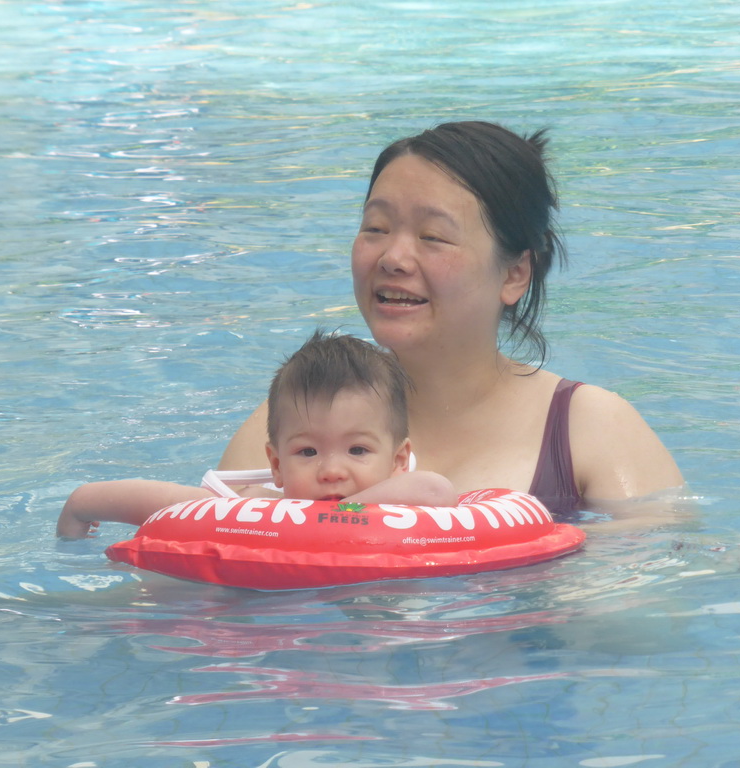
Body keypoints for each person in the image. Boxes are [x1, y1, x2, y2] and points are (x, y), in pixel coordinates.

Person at [219, 121, 684, 525]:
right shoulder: (294, 422)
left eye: (433, 236)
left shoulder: (589, 430)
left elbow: (648, 605)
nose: (394, 258)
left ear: (513, 273)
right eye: (376, 228)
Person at [57, 331, 456, 538]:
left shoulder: (404, 498)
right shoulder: (258, 511)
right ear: (276, 465)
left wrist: (329, 515)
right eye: (307, 452)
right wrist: (82, 505)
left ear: (399, 460)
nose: (332, 470)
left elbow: (437, 493)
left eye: (357, 449)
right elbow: (160, 502)